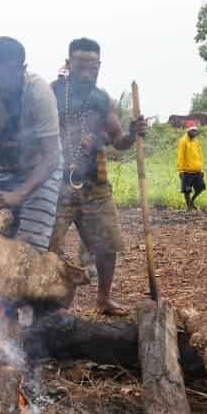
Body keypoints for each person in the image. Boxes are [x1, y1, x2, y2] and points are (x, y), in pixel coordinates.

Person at [48, 38, 146, 315]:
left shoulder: (102, 99)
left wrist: (132, 131)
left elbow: (119, 140)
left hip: (94, 184)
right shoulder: (51, 93)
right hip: (56, 183)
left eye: (94, 66)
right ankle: (47, 303)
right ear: (69, 64)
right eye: (82, 65)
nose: (89, 71)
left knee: (107, 244)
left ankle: (103, 298)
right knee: (48, 246)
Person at [0, 37, 61, 251]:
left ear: (22, 68)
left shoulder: (39, 92)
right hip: (1, 167)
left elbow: (52, 156)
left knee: (29, 247)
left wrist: (20, 194)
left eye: (8, 77)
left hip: (40, 166)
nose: (0, 85)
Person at [176, 122, 206, 209]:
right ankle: (189, 206)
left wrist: (200, 169)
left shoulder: (196, 141)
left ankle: (192, 201)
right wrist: (180, 170)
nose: (195, 133)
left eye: (196, 131)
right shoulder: (183, 141)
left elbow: (199, 155)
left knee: (200, 187)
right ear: (188, 131)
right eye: (193, 130)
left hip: (196, 171)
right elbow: (180, 156)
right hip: (186, 172)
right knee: (187, 190)